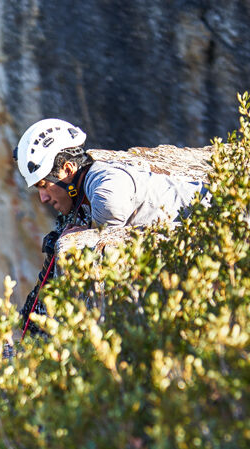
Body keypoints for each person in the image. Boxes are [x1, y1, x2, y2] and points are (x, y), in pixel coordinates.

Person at [14, 118, 205, 331]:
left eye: (44, 185)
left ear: (68, 169)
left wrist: (89, 230)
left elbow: (110, 207)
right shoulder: (87, 189)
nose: (43, 198)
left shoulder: (104, 184)